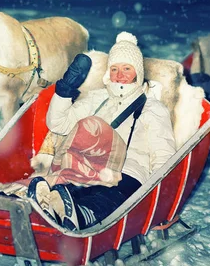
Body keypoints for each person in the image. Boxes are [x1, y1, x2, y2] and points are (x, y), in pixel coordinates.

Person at [27, 31, 177, 231]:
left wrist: (156, 202)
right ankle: (48, 206)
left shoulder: (152, 108)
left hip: (128, 173)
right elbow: (59, 124)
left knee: (108, 196)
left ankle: (81, 215)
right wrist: (64, 92)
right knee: (66, 190)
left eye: (126, 68)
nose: (119, 75)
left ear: (138, 73)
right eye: (114, 68)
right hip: (87, 169)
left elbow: (164, 156)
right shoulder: (96, 98)